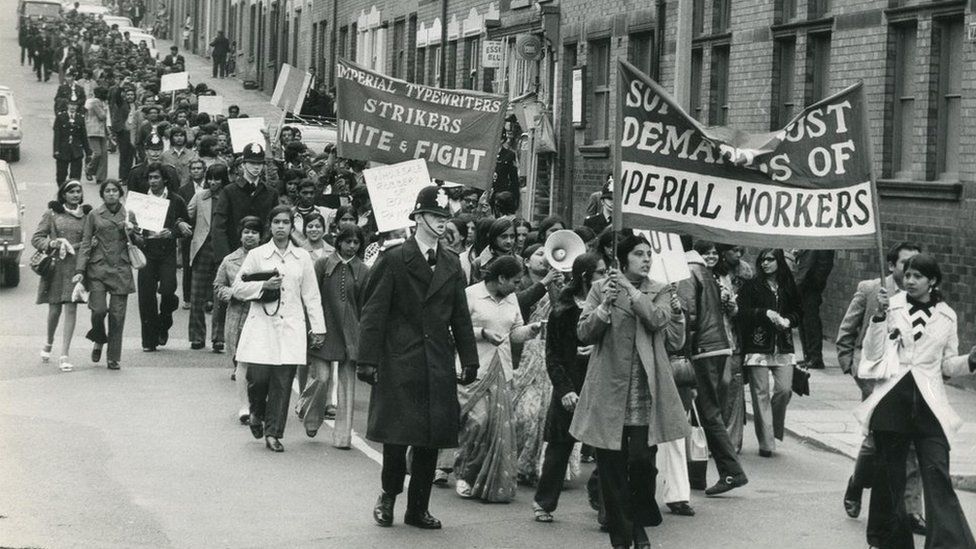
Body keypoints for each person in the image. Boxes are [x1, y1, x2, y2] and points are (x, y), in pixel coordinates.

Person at [357, 185, 480, 530]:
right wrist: (368, 359)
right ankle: (387, 496)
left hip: (437, 361)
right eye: (436, 217)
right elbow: (374, 312)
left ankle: (418, 508)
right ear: (419, 217)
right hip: (400, 359)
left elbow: (460, 316)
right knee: (397, 438)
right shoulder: (394, 259)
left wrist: (468, 358)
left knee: (430, 438)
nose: (442, 224)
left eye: (446, 218)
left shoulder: (452, 263)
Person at [570, 232, 687, 549]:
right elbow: (583, 333)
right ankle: (624, 538)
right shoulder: (599, 289)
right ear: (622, 259)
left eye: (649, 253)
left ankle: (637, 524)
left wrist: (630, 289)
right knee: (612, 470)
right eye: (639, 253)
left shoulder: (659, 290)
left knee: (642, 464)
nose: (647, 258)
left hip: (646, 392)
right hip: (609, 391)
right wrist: (604, 308)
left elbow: (657, 320)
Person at [856, 254, 976, 549]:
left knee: (937, 472)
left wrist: (971, 361)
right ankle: (888, 541)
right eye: (907, 275)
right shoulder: (890, 306)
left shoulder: (947, 316)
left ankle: (949, 543)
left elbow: (947, 366)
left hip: (929, 404)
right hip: (892, 402)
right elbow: (872, 354)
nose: (909, 280)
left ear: (932, 281)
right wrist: (879, 319)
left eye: (917, 276)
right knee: (889, 479)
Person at [837, 242, 926, 537]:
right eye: (905, 264)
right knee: (877, 442)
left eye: (917, 265)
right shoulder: (871, 288)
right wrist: (849, 363)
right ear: (891, 265)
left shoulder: (924, 294)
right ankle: (857, 483)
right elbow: (848, 328)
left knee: (912, 443)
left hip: (911, 379)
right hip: (877, 378)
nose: (911, 271)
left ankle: (913, 510)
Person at [232, 205, 326, 453]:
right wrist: (264, 285)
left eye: (285, 223)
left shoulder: (302, 257)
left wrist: (318, 328)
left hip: (292, 326)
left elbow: (311, 295)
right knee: (259, 378)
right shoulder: (257, 255)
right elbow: (238, 288)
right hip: (262, 325)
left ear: (292, 227)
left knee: (283, 383)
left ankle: (273, 433)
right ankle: (256, 412)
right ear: (270, 226)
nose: (281, 227)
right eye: (276, 223)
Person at [452, 256, 542, 502]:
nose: (517, 286)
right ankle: (463, 473)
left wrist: (532, 330)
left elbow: (514, 333)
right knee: (477, 422)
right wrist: (482, 333)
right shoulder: (470, 295)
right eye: (514, 281)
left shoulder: (511, 298)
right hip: (474, 367)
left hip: (502, 368)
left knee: (495, 427)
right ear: (500, 278)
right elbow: (453, 328)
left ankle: (478, 478)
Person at [532, 253, 606, 523]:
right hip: (571, 388)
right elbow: (552, 356)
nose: (605, 278)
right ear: (586, 278)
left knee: (606, 449)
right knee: (559, 448)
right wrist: (564, 390)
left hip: (601, 386)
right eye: (600, 273)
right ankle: (544, 502)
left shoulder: (607, 307)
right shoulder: (563, 311)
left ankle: (601, 498)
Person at [298, 224, 368, 447]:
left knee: (347, 386)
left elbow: (366, 304)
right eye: (348, 242)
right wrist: (311, 328)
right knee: (322, 378)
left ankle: (342, 437)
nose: (352, 247)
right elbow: (311, 297)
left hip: (352, 333)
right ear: (339, 242)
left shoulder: (364, 270)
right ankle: (310, 416)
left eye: (356, 243)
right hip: (324, 330)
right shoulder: (323, 264)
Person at [737, 249, 801, 457]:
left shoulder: (788, 286)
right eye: (762, 260)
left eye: (770, 260)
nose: (765, 263)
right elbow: (742, 313)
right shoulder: (752, 286)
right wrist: (764, 313)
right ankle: (767, 443)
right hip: (757, 345)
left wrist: (788, 321)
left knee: (784, 390)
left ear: (779, 262)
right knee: (760, 393)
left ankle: (771, 427)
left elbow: (799, 312)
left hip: (783, 345)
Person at [73, 180, 138, 370]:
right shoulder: (94, 215)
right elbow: (86, 242)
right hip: (98, 268)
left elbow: (140, 241)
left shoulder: (129, 214)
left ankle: (113, 357)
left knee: (117, 316)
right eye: (107, 191)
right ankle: (99, 338)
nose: (111, 194)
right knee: (99, 310)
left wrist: (132, 232)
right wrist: (79, 270)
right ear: (102, 195)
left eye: (115, 191)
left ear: (120, 194)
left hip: (120, 268)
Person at [32, 181, 91, 372]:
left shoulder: (87, 215)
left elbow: (91, 239)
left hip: (76, 267)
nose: (75, 195)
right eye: (71, 192)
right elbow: (37, 238)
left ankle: (65, 354)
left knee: (71, 308)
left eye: (78, 191)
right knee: (55, 309)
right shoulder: (51, 214)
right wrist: (53, 243)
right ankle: (49, 341)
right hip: (57, 267)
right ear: (63, 195)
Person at [137, 164, 190, 352]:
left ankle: (165, 319)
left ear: (164, 179)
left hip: (166, 251)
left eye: (156, 177)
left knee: (168, 290)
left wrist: (173, 232)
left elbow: (186, 226)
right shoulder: (141, 200)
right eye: (150, 177)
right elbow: (131, 225)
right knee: (146, 297)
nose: (153, 181)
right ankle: (149, 340)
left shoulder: (175, 200)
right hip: (146, 251)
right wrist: (134, 234)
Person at [214, 216, 263, 423]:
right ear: (240, 234)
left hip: (261, 314)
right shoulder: (229, 260)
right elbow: (218, 286)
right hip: (237, 314)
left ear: (260, 235)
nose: (249, 235)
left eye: (254, 232)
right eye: (246, 231)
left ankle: (256, 406)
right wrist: (232, 293)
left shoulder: (267, 258)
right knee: (240, 359)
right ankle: (246, 406)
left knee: (258, 364)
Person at [185, 163, 228, 350]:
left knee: (220, 296)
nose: (212, 182)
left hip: (223, 251)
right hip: (202, 249)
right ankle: (197, 336)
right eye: (209, 178)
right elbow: (187, 214)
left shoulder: (229, 196)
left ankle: (218, 337)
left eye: (216, 179)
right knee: (197, 295)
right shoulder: (199, 196)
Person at [213, 142, 279, 262]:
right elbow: (219, 227)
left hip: (264, 255)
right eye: (252, 163)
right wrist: (225, 257)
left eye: (259, 163)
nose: (256, 167)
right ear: (243, 165)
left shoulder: (271, 193)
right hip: (234, 253)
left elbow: (273, 226)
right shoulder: (229, 191)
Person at [792, 249, 835, 369]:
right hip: (808, 286)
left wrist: (797, 287)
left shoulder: (816, 245)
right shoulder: (813, 245)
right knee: (805, 322)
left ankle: (814, 357)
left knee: (810, 322)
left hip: (809, 287)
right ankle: (809, 356)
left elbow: (808, 267)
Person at [53, 100, 91, 186]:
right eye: (71, 105)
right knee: (61, 176)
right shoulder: (61, 117)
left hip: (76, 151)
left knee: (75, 176)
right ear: (67, 105)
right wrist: (56, 150)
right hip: (63, 150)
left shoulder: (80, 118)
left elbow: (83, 136)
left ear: (77, 106)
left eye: (75, 105)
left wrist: (88, 151)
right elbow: (57, 135)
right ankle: (62, 193)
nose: (73, 107)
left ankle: (72, 191)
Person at [469, 217, 516, 284]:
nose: (509, 241)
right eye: (504, 237)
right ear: (494, 238)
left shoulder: (519, 261)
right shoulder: (478, 263)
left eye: (512, 236)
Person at [84, 87, 109, 185]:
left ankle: (101, 177)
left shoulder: (100, 102)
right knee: (98, 153)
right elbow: (102, 116)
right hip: (93, 130)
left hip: (101, 131)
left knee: (103, 155)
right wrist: (106, 110)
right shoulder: (95, 102)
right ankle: (89, 169)